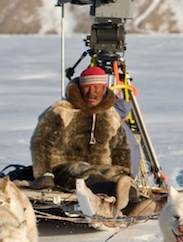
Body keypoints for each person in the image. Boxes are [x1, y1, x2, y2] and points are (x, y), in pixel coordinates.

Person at [30, 66, 136, 215]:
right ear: (80, 88)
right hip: (63, 167)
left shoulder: (110, 114)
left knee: (116, 174)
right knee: (81, 170)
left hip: (101, 166)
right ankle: (115, 196)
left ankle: (133, 202)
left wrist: (124, 172)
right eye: (87, 87)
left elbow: (121, 149)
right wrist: (44, 175)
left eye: (96, 88)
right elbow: (40, 143)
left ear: (104, 88)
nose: (92, 92)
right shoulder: (62, 111)